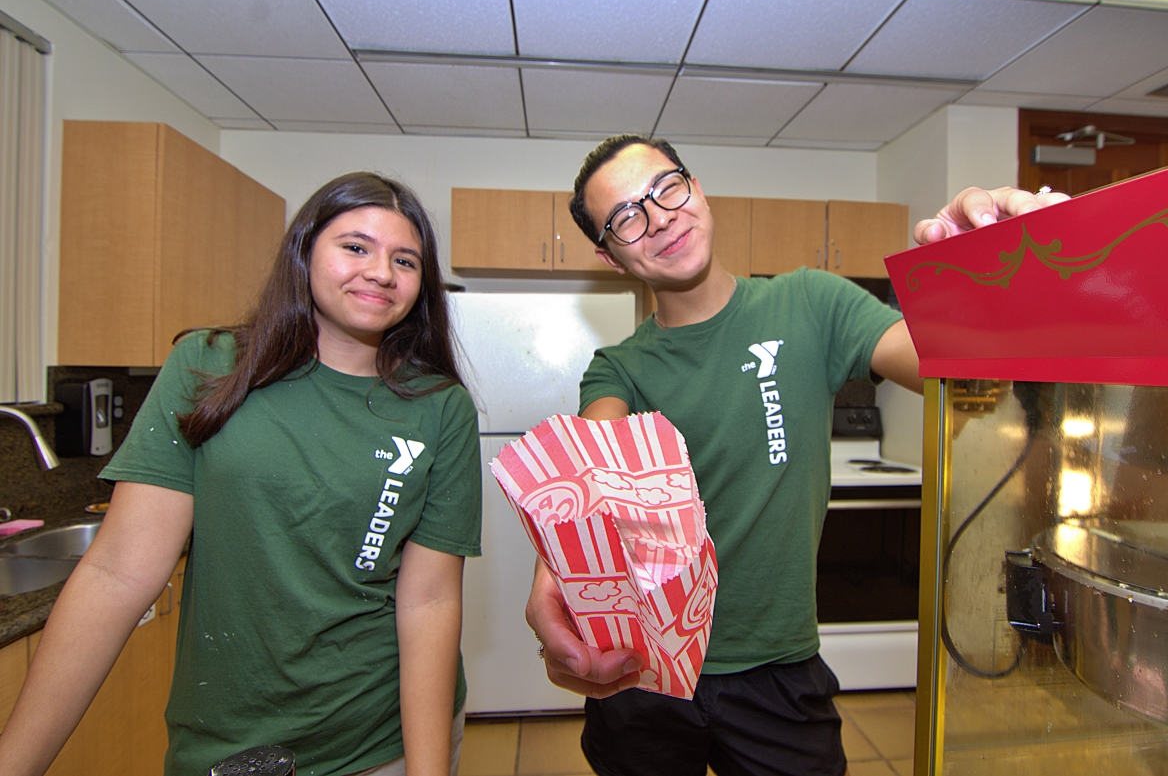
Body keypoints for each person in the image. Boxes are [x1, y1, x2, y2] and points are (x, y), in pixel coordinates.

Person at [525, 135, 1068, 776]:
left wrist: (987, 264)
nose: (660, 216)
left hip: (778, 668)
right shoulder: (618, 369)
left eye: (667, 187)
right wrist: (552, 579)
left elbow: (962, 370)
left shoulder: (811, 303)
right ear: (609, 256)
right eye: (626, 217)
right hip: (646, 670)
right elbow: (591, 481)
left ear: (696, 187)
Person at [0, 172, 482, 776]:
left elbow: (430, 601)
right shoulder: (209, 367)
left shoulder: (438, 407)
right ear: (304, 252)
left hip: (377, 740)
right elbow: (118, 572)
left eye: (405, 259)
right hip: (227, 744)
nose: (381, 272)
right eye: (355, 247)